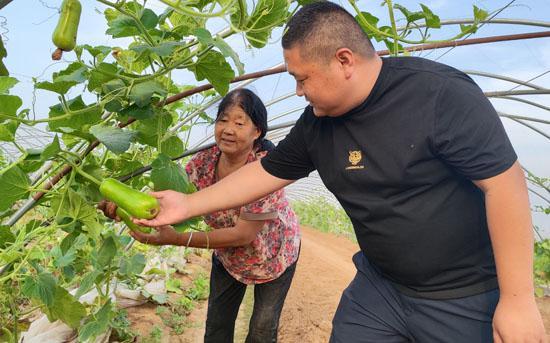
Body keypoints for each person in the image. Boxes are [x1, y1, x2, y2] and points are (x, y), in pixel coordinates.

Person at [135, 2, 547, 342]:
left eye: (302, 79)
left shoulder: (439, 95)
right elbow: (265, 173)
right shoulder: (318, 122)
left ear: (344, 60)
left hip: (463, 296)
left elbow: (505, 185)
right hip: (380, 287)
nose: (298, 91)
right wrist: (186, 202)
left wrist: (517, 300)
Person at [102, 88, 300, 343]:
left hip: (273, 257)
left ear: (257, 132)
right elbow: (170, 205)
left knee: (262, 331)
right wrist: (123, 206)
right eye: (223, 120)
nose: (228, 129)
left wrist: (175, 239)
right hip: (229, 258)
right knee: (216, 328)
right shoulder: (202, 163)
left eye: (239, 123)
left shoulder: (266, 170)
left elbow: (242, 235)